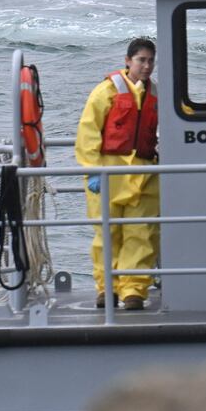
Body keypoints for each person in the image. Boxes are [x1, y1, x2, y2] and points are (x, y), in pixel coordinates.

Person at [75, 37, 159, 310]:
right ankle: (106, 288)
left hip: (144, 173)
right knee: (107, 234)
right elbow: (88, 133)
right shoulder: (106, 91)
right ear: (128, 61)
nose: (146, 66)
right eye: (141, 60)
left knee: (141, 234)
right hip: (109, 172)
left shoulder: (156, 94)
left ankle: (134, 290)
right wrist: (93, 171)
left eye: (150, 61)